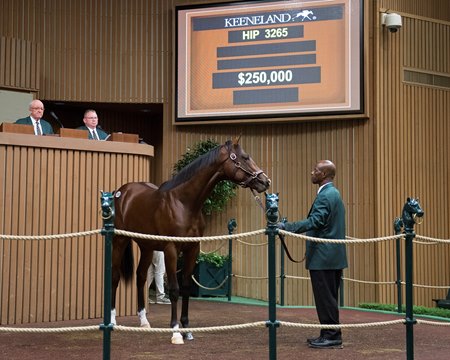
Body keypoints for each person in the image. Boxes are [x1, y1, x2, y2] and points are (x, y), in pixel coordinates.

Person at [278, 160, 348, 349]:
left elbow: (316, 221)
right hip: (332, 256)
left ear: (323, 174)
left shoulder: (325, 196)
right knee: (329, 298)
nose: (312, 172)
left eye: (316, 170)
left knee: (325, 298)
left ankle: (332, 335)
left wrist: (287, 227)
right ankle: (329, 332)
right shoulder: (334, 193)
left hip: (323, 257)